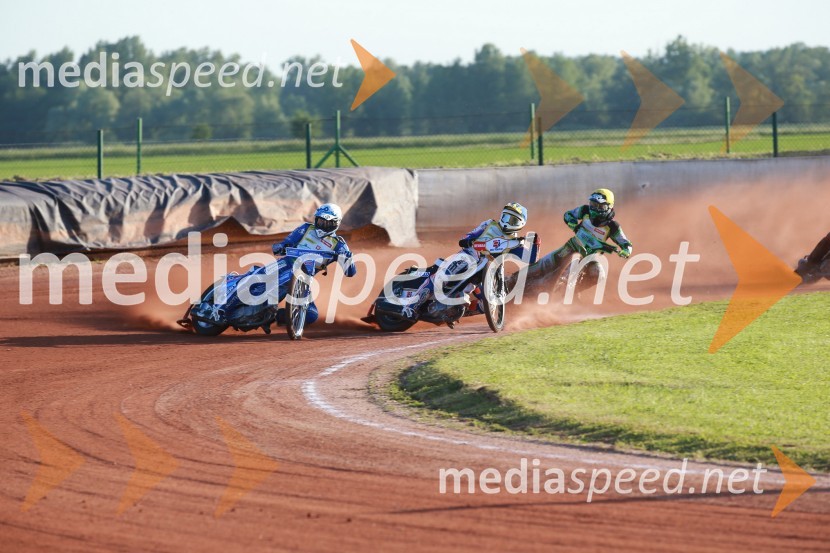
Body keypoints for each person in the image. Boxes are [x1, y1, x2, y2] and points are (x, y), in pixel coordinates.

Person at [271, 203, 357, 325]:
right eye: (320, 221)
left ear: (336, 223)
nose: (322, 225)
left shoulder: (339, 244)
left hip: (303, 279)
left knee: (311, 315)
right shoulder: (306, 228)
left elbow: (350, 273)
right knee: (258, 280)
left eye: (327, 223)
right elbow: (286, 243)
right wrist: (282, 246)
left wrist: (348, 259)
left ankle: (274, 316)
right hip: (285, 264)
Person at [530, 188, 632, 290]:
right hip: (572, 247)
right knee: (541, 266)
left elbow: (626, 243)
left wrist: (626, 251)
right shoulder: (584, 210)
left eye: (599, 206)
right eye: (593, 204)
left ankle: (574, 292)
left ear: (609, 206)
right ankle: (515, 279)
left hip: (591, 257)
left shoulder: (613, 226)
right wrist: (572, 223)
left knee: (599, 274)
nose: (595, 208)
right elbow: (568, 214)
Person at [456, 202, 540, 312]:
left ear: (520, 223)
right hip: (468, 258)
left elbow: (530, 259)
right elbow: (471, 234)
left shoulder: (515, 242)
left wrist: (536, 243)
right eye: (505, 217)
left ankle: (461, 311)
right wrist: (467, 240)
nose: (506, 222)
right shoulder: (490, 224)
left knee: (489, 304)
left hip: (488, 271)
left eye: (512, 220)